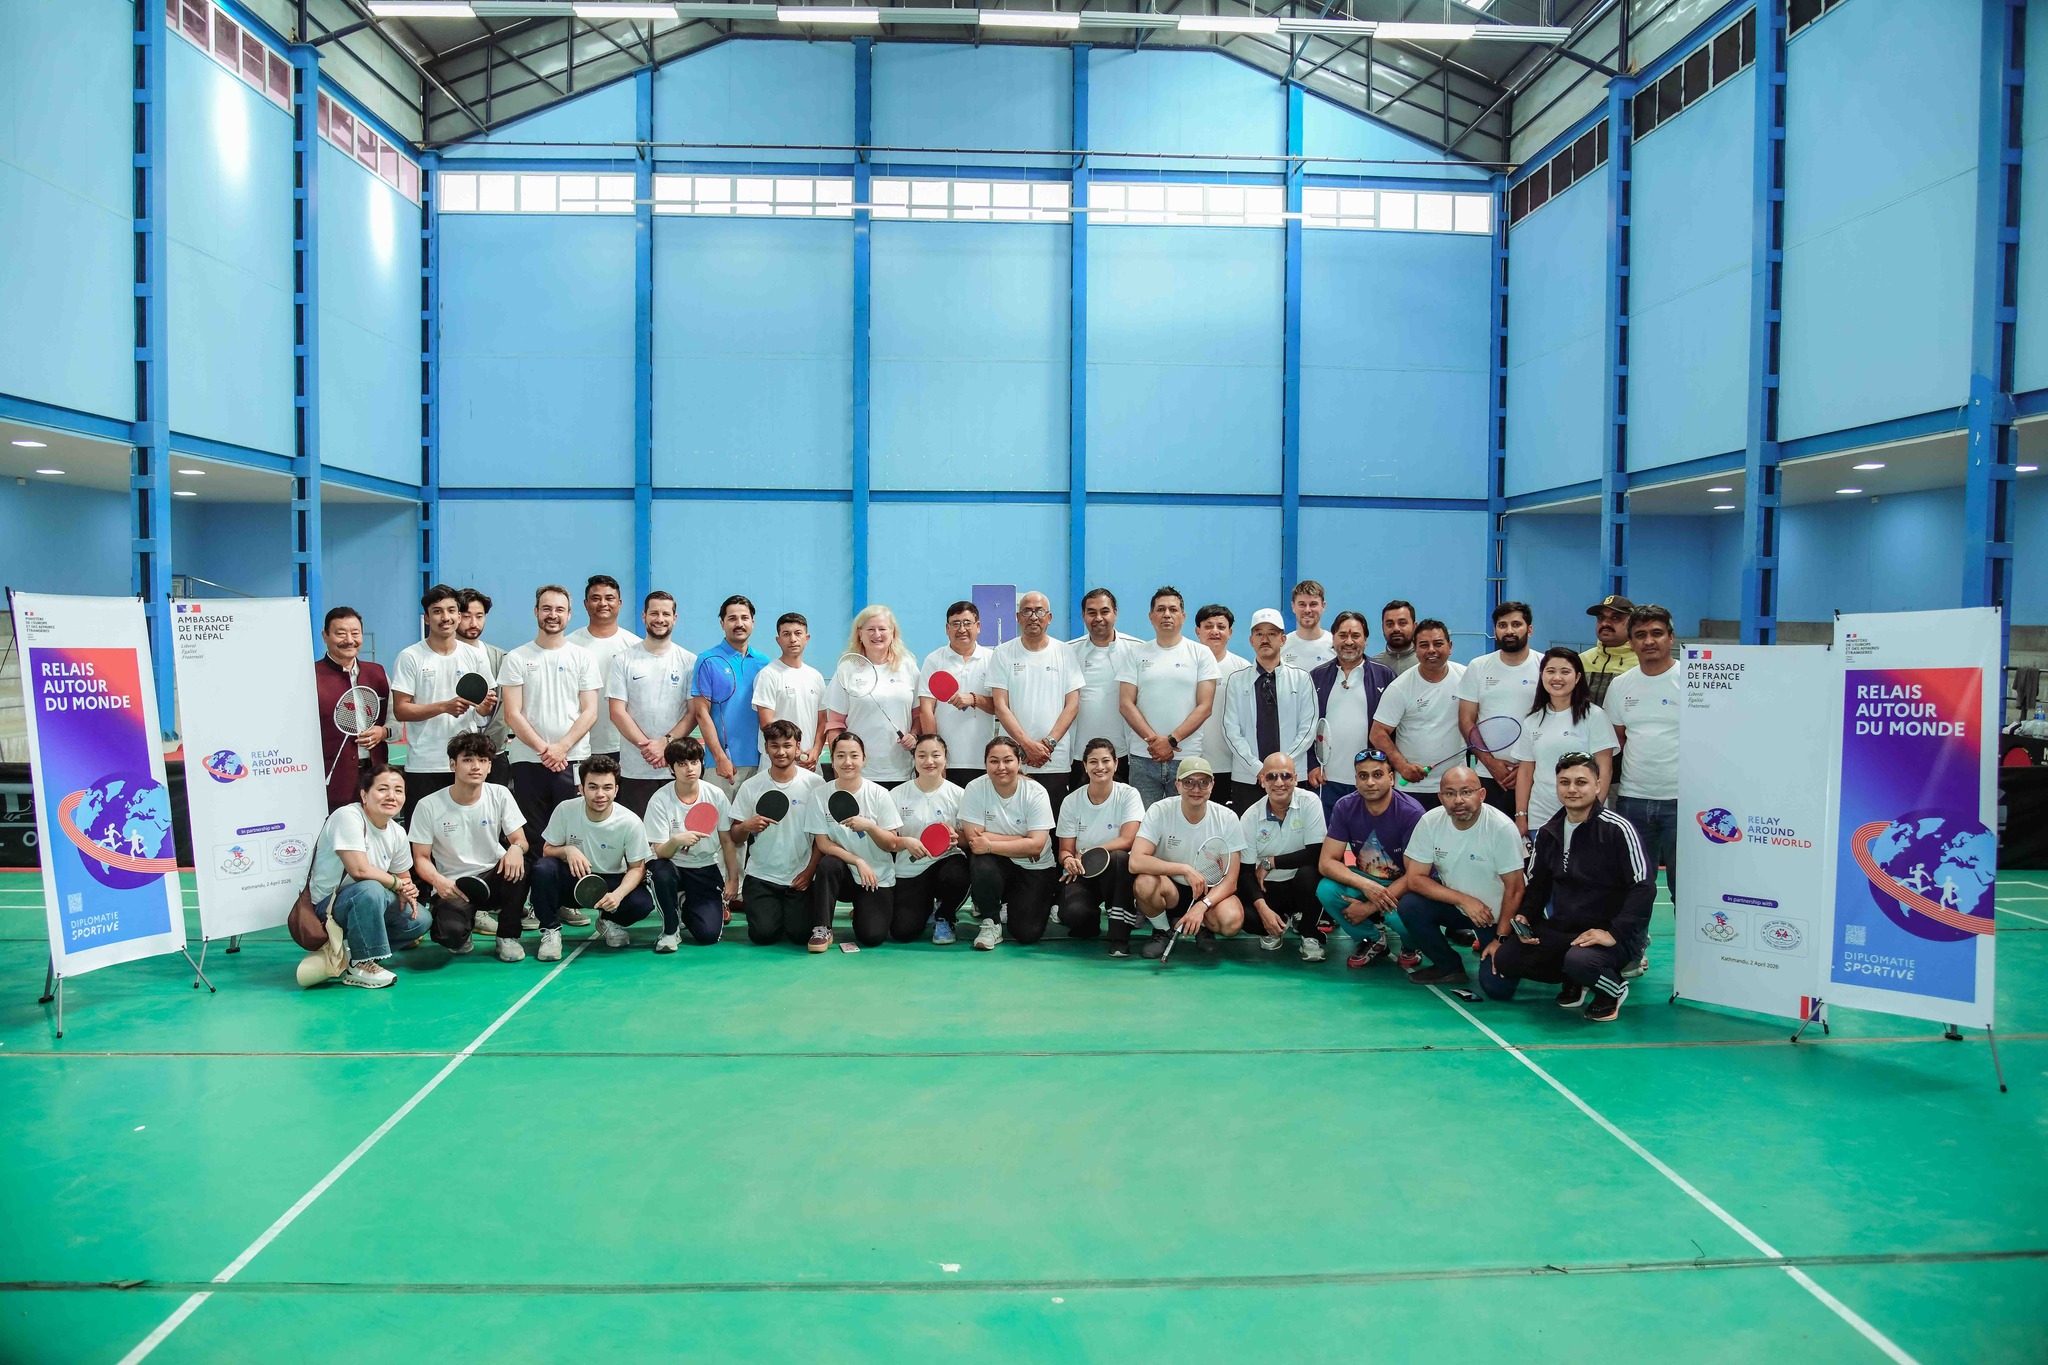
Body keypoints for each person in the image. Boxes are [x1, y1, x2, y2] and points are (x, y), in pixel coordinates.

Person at [1479, 752, 1653, 1022]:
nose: (1572, 789)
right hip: (1565, 929)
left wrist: (1614, 932)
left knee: (1580, 962)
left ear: (1597, 786)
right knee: (1507, 958)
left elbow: (1643, 887)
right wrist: (1526, 916)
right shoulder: (1550, 831)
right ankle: (1574, 980)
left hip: (1612, 935)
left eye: (1581, 782)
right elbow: (1537, 884)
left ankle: (1612, 991)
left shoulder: (1618, 829)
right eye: (1565, 782)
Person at [498, 584, 602, 929]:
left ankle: (563, 903)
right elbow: (512, 713)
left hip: (571, 762)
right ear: (536, 612)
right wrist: (545, 749)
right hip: (529, 762)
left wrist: (562, 749)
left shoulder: (581, 658)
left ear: (569, 615)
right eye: (546, 608)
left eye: (559, 609)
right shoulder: (516, 658)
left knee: (570, 837)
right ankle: (532, 905)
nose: (552, 614)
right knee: (533, 837)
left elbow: (589, 712)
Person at [1396, 765, 1526, 985]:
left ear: (1481, 794)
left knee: (1497, 989)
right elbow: (1415, 879)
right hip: (1460, 908)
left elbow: (1515, 889)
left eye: (1466, 792)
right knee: (1410, 905)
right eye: (1450, 793)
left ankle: (1512, 951)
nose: (1458, 800)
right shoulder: (1430, 822)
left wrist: (1500, 939)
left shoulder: (1501, 828)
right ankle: (1448, 967)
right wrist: (1464, 901)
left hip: (1497, 917)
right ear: (1440, 797)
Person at [406, 731, 528, 959]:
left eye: (483, 761)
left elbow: (520, 840)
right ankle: (464, 925)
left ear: (490, 766)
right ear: (453, 764)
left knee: (523, 866)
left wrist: (515, 849)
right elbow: (421, 857)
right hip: (454, 885)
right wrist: (438, 881)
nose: (476, 767)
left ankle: (507, 936)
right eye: (468, 759)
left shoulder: (499, 794)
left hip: (494, 876)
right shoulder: (428, 805)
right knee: (449, 936)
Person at [1608, 603, 1681, 978]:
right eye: (1641, 635)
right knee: (1637, 886)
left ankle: (1700, 961)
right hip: (1633, 801)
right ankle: (1635, 950)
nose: (1649, 641)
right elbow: (1615, 745)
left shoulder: (1691, 680)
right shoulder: (1622, 686)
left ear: (1671, 636)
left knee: (1688, 887)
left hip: (1684, 803)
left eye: (1656, 633)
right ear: (1631, 642)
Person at [306, 763, 427, 988]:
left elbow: (404, 876)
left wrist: (408, 890)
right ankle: (362, 964)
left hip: (366, 900)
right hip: (328, 907)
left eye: (398, 790)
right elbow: (359, 870)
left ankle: (354, 952)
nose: (391, 796)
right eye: (383, 789)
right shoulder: (348, 816)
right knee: (370, 888)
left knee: (419, 919)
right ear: (364, 794)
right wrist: (397, 884)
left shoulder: (397, 831)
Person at [531, 754, 653, 960]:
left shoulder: (630, 822)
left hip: (610, 883)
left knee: (642, 903)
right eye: (593, 787)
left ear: (616, 790)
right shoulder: (566, 810)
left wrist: (618, 895)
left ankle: (608, 920)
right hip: (574, 878)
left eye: (607, 787)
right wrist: (567, 850)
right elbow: (547, 850)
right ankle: (551, 930)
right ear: (581, 788)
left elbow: (637, 868)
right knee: (543, 868)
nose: (600, 794)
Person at [390, 584, 495, 822]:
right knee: (421, 838)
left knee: (464, 833)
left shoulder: (476, 656)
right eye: (437, 611)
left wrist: (485, 706)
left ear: (459, 615)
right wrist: (444, 707)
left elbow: (482, 712)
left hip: (465, 764)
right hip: (424, 765)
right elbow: (401, 709)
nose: (445, 617)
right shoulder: (410, 657)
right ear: (426, 618)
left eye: (451, 610)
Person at [1316, 749, 1426, 968]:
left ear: (1391, 778)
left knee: (1399, 916)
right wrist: (1366, 885)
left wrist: (1367, 909)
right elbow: (1326, 862)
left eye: (1377, 775)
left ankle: (1412, 943)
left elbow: (1415, 876)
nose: (1370, 782)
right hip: (1368, 878)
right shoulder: (1345, 806)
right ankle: (1371, 939)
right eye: (1363, 776)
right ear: (1356, 780)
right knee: (1326, 890)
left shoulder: (1411, 812)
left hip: (1405, 884)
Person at [1128, 755, 1244, 957]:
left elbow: (1231, 881)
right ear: (1177, 785)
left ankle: (1202, 927)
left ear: (1212, 785)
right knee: (1144, 883)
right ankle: (1163, 930)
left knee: (1232, 920)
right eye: (1188, 782)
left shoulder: (1227, 818)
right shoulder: (1159, 811)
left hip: (1207, 891)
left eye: (1203, 782)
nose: (1196, 789)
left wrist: (1202, 906)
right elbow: (1135, 861)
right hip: (1169, 889)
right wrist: (1184, 869)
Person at [1117, 586, 1221, 807]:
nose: (1166, 614)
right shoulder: (1135, 654)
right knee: (1143, 826)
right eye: (1161, 609)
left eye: (1173, 609)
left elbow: (1205, 706)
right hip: (1143, 757)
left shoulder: (1201, 654)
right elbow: (1126, 703)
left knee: (1183, 824)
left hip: (1186, 758)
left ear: (1182, 617)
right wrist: (1154, 742)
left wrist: (1171, 741)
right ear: (1150, 616)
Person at [804, 732, 908, 951]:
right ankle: (822, 927)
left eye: (854, 755)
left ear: (864, 759)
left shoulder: (879, 795)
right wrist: (857, 861)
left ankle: (863, 909)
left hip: (875, 875)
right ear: (831, 760)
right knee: (828, 864)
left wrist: (869, 826)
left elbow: (891, 844)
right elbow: (823, 844)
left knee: (872, 936)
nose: (847, 762)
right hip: (844, 873)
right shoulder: (819, 795)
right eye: (840, 756)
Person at [729, 720, 826, 946]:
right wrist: (746, 826)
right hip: (762, 877)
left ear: (798, 747)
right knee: (763, 935)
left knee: (800, 935)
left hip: (799, 878)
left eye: (787, 745)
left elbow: (823, 837)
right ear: (766, 748)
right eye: (774, 746)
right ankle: (771, 912)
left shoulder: (815, 784)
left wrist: (809, 871)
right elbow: (735, 836)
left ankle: (789, 913)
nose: (781, 752)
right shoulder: (752, 786)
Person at [960, 736, 1059, 950]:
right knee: (981, 861)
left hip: (1035, 866)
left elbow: (1037, 846)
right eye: (994, 761)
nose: (1001, 767)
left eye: (1008, 760)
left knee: (1027, 933)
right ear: (985, 764)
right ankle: (991, 921)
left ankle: (1017, 902)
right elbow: (974, 839)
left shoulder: (1035, 792)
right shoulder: (975, 788)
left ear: (1019, 762)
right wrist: (1022, 841)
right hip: (998, 863)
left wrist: (991, 843)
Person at [641, 737, 740, 950]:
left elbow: (727, 840)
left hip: (705, 867)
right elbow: (659, 852)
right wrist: (677, 840)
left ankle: (685, 903)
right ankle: (670, 929)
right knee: (659, 871)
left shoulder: (715, 795)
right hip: (672, 866)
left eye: (694, 762)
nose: (689, 769)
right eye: (682, 764)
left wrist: (733, 879)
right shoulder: (660, 800)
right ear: (671, 768)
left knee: (708, 935)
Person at [989, 590, 1084, 812]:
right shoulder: (1003, 653)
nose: (1033, 616)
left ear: (1049, 617)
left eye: (1039, 611)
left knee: (1054, 826)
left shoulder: (1064, 652)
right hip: (1014, 759)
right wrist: (1026, 745)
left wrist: (1048, 744)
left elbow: (1072, 705)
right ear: (1017, 617)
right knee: (1016, 824)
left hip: (1054, 759)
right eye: (1027, 611)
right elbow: (1001, 706)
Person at [607, 591, 697, 816]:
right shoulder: (623, 660)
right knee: (640, 842)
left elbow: (693, 713)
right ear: (644, 616)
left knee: (677, 838)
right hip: (635, 770)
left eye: (666, 613)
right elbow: (617, 712)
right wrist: (649, 749)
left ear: (675, 618)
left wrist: (666, 744)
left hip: (676, 769)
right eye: (654, 613)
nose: (660, 619)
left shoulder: (689, 661)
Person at [1512, 648, 1617, 842]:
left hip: (1584, 819)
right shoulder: (1532, 722)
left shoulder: (1594, 716)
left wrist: (1593, 812)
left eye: (1565, 672)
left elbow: (1605, 770)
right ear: (1542, 675)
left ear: (1577, 677)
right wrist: (1521, 815)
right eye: (1550, 671)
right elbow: (1526, 772)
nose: (1557, 678)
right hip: (1541, 818)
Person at [1054, 737, 1144, 954]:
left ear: (1116, 764)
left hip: (1119, 874)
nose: (1100, 767)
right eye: (1093, 762)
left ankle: (1119, 935)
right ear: (1084, 766)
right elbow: (1065, 850)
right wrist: (1069, 860)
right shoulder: (1072, 801)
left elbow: (1128, 840)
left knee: (1120, 858)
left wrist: (1090, 853)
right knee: (1075, 915)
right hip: (1084, 873)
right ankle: (1090, 923)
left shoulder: (1128, 795)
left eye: (1106, 761)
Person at [1223, 609, 1318, 812]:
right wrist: (1259, 769)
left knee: (1294, 838)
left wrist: (1280, 769)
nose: (1265, 639)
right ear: (1251, 640)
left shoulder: (1301, 679)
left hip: (1291, 777)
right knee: (1248, 838)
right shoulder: (1237, 680)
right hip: (1248, 777)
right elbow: (1230, 730)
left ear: (1283, 639)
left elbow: (1308, 728)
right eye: (1259, 633)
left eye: (1272, 634)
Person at [1370, 619, 1467, 811]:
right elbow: (1377, 733)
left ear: (1450, 646)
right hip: (1413, 788)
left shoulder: (1466, 678)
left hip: (1456, 785)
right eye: (1424, 645)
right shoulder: (1401, 686)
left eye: (1438, 643)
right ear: (1415, 649)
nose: (1431, 650)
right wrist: (1402, 766)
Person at [1238, 752, 1327, 960]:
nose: (1279, 783)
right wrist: (1263, 909)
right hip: (1269, 887)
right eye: (1271, 777)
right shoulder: (1250, 817)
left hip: (1301, 884)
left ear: (1295, 779)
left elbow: (1316, 853)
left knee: (1312, 873)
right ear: (1262, 781)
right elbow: (1246, 873)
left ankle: (1308, 931)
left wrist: (1271, 862)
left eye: (1286, 776)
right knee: (1248, 919)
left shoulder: (1310, 802)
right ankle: (1278, 921)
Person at [1306, 611, 1394, 819]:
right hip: (1327, 780)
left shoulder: (1385, 675)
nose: (1349, 641)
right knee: (1328, 842)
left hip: (1369, 780)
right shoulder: (1316, 676)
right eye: (1343, 635)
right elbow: (1306, 725)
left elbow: (1395, 730)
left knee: (1369, 847)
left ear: (1365, 640)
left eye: (1355, 635)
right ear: (1333, 638)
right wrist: (1311, 764)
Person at [1455, 600, 1539, 816]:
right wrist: (1491, 763)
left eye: (1516, 624)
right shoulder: (1478, 666)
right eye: (1502, 625)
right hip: (1488, 775)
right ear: (1495, 630)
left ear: (1529, 629)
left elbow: (1552, 719)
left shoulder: (1546, 666)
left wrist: (1528, 766)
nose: (1509, 631)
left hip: (1535, 775)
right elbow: (1466, 721)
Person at [824, 605, 921, 788]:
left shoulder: (908, 667)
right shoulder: (847, 670)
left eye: (882, 629)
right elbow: (835, 726)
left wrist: (914, 735)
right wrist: (840, 770)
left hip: (902, 771)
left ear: (893, 633)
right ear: (860, 633)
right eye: (870, 629)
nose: (877, 634)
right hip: (859, 773)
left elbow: (919, 715)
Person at [891, 733, 972, 944]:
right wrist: (905, 842)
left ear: (946, 758)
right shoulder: (896, 795)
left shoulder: (960, 794)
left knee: (957, 873)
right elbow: (888, 840)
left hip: (946, 863)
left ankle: (945, 914)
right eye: (922, 755)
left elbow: (969, 839)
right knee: (903, 931)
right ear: (914, 759)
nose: (929, 761)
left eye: (936, 755)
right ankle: (927, 907)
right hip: (909, 868)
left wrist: (957, 837)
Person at [691, 595, 773, 800]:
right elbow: (701, 713)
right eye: (732, 618)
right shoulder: (707, 660)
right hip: (722, 766)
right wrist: (720, 757)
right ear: (722, 623)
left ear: (752, 623)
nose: (739, 624)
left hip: (761, 762)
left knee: (755, 828)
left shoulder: (765, 663)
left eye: (744, 618)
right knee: (720, 829)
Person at [314, 606, 391, 812]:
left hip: (375, 775)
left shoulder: (378, 673)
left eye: (355, 633)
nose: (349, 640)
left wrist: (383, 732)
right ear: (325, 636)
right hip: (332, 781)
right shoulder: (310, 676)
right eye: (340, 633)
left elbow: (394, 719)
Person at [917, 601, 998, 788]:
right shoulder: (934, 660)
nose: (962, 629)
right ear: (947, 628)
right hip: (946, 762)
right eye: (955, 623)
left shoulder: (993, 659)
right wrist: (935, 757)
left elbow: (1002, 707)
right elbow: (926, 711)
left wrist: (975, 699)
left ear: (978, 626)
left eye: (967, 623)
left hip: (983, 760)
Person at [567, 575, 641, 764]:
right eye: (595, 598)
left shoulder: (635, 647)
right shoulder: (568, 645)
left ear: (619, 603)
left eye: (609, 598)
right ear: (585, 604)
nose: (603, 603)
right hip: (578, 744)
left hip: (623, 744)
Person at [1069, 588, 1138, 785]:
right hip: (1079, 754)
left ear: (1115, 613)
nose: (1098, 618)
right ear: (1083, 616)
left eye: (1104, 611)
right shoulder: (1068, 652)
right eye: (1091, 612)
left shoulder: (1136, 650)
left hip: (1124, 753)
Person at [1192, 604, 1254, 811]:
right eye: (1208, 626)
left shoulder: (1243, 668)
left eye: (1221, 626)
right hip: (1192, 760)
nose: (1215, 631)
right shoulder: (1185, 664)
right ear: (1197, 631)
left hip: (1231, 764)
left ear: (1230, 632)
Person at [752, 612, 827, 772]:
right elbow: (767, 725)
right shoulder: (768, 675)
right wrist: (793, 752)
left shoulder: (816, 676)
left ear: (806, 638)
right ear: (778, 640)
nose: (792, 639)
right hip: (777, 765)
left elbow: (822, 722)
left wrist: (816, 750)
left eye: (798, 633)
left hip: (810, 764)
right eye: (786, 634)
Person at [456, 589, 512, 787]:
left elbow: (505, 708)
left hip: (494, 754)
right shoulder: (444, 657)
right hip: (457, 754)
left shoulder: (501, 658)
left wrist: (492, 746)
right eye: (466, 616)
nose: (473, 623)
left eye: (479, 616)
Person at [1580, 594, 1638, 708]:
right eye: (1600, 618)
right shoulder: (1581, 660)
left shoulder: (1642, 663)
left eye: (1615, 618)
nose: (1605, 623)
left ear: (1632, 623)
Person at [1281, 579, 1337, 671]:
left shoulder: (1335, 645)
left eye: (1313, 604)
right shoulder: (1283, 646)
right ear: (1293, 606)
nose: (1307, 610)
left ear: (1323, 606)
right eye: (1302, 604)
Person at [1371, 600, 1419, 675]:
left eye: (1402, 623)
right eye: (1389, 624)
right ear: (1383, 627)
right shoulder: (1372, 666)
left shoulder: (1426, 662)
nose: (1396, 629)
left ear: (1415, 627)